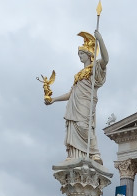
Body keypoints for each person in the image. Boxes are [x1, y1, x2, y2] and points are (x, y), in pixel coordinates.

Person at [45, 30, 108, 164]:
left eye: (81, 53)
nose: (79, 56)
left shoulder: (94, 69)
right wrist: (54, 99)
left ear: (89, 54)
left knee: (84, 126)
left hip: (86, 102)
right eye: (78, 54)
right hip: (74, 104)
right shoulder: (78, 75)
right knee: (73, 127)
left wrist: (100, 40)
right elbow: (71, 93)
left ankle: (95, 153)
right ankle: (75, 155)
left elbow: (106, 59)